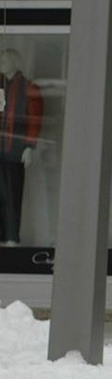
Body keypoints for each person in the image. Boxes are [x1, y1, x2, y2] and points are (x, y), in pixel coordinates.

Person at [0, 48, 43, 246]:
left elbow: (34, 120)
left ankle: (11, 237)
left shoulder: (28, 87)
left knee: (13, 193)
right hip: (3, 147)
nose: (2, 63)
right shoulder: (2, 86)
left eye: (5, 60)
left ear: (14, 62)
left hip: (14, 149)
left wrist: (29, 147)